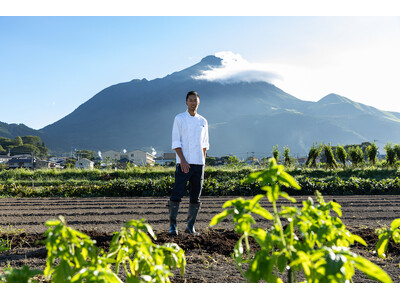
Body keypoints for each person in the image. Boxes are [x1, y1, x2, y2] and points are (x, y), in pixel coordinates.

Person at [168, 91, 209, 236]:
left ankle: (190, 227)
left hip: (199, 164)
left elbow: (205, 144)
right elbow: (176, 142)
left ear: (199, 102)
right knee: (177, 193)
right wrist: (183, 160)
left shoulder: (203, 121)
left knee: (195, 196)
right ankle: (172, 226)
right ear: (186, 102)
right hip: (183, 163)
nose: (193, 103)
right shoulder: (179, 118)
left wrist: (203, 162)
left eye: (195, 101)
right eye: (191, 100)